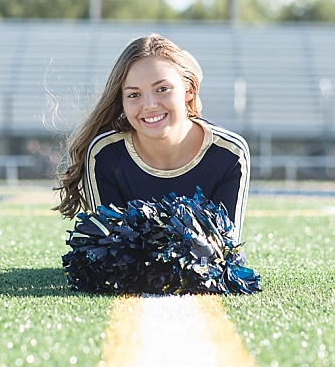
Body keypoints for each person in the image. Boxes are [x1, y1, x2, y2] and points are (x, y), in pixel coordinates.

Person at [54, 33, 251, 243]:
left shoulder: (230, 153)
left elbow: (225, 250)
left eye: (162, 89)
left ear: (189, 90)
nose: (149, 105)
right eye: (134, 94)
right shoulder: (105, 153)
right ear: (121, 101)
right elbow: (110, 252)